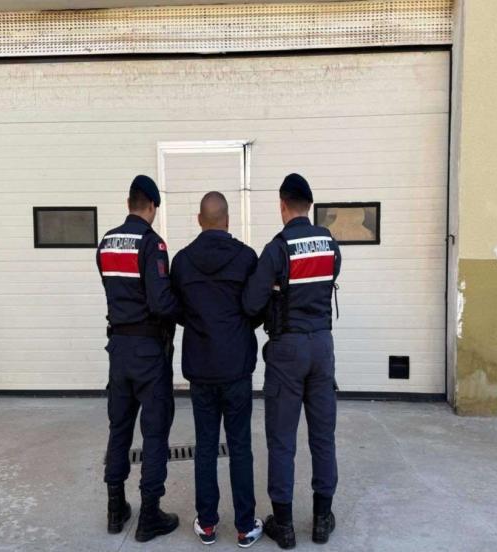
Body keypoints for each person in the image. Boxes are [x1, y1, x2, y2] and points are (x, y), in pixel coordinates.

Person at [242, 173, 342, 549]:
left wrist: (273, 293)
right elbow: (327, 278)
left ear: (282, 205)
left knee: (282, 439)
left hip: (287, 350)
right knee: (323, 436)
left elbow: (251, 303)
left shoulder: (277, 248)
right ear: (309, 206)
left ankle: (283, 526)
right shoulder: (329, 243)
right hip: (322, 347)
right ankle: (321, 520)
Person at [170, 192, 264, 548]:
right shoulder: (247, 258)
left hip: (201, 367)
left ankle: (207, 524)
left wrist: (198, 323)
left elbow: (175, 308)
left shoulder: (182, 262)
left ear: (200, 220)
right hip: (236, 366)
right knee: (240, 446)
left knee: (206, 445)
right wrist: (237, 328)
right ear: (227, 219)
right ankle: (245, 526)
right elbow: (256, 308)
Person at [96, 175, 181, 543]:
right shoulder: (151, 244)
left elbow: (111, 289)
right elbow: (161, 303)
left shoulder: (106, 242)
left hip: (118, 350)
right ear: (152, 206)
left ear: (129, 203)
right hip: (148, 350)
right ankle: (150, 515)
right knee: (155, 431)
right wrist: (184, 311)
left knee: (119, 428)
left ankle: (115, 509)